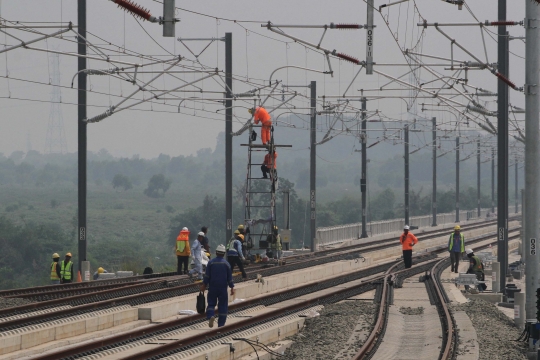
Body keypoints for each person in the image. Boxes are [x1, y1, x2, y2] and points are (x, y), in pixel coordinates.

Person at [200, 244, 235, 328]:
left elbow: (207, 276)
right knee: (223, 305)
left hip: (212, 287)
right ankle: (221, 325)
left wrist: (204, 285)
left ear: (216, 252)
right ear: (224, 253)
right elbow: (229, 278)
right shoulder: (226, 264)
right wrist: (232, 287)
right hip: (223, 288)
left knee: (211, 304)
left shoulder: (211, 263)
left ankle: (211, 316)